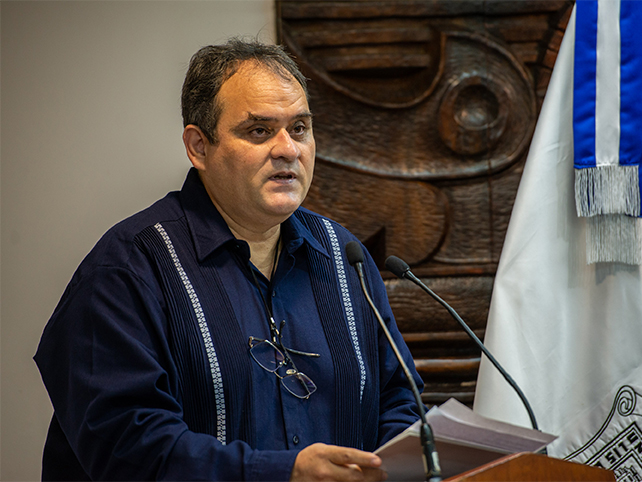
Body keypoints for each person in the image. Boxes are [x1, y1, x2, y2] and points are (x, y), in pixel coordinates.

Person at [34, 37, 423, 481]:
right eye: (259, 130)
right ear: (199, 146)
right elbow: (130, 448)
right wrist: (284, 475)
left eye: (299, 128)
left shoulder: (342, 255)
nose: (288, 149)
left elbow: (400, 399)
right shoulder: (126, 271)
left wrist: (385, 468)